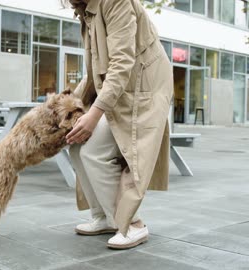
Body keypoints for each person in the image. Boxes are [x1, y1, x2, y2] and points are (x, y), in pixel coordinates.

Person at [63, 0, 174, 250]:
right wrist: (71, 104)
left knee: (93, 150)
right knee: (78, 148)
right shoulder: (86, 11)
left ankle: (132, 224)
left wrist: (93, 115)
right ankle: (104, 216)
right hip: (122, 89)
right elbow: (94, 70)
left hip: (144, 90)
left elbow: (122, 62)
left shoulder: (116, 1)